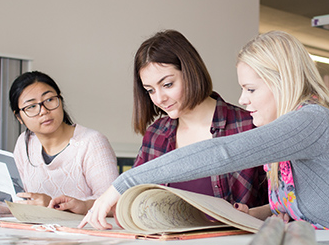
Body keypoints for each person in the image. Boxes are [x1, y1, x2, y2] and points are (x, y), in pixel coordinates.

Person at [77, 30, 329, 230]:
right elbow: (292, 206)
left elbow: (222, 153)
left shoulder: (311, 119)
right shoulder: (292, 127)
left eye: (251, 89)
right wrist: (250, 214)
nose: (242, 99)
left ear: (283, 82)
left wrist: (124, 182)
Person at [130, 30, 267, 207]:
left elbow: (280, 204)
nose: (159, 99)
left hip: (239, 235)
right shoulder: (155, 135)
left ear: (190, 72)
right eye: (150, 90)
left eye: (167, 84)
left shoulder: (248, 126)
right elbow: (130, 196)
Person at [0, 71, 119, 214]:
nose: (43, 111)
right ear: (19, 117)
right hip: (36, 238)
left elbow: (114, 205)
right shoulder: (24, 143)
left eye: (49, 100)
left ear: (60, 100)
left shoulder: (92, 142)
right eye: (32, 106)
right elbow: (20, 201)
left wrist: (52, 205)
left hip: (83, 239)